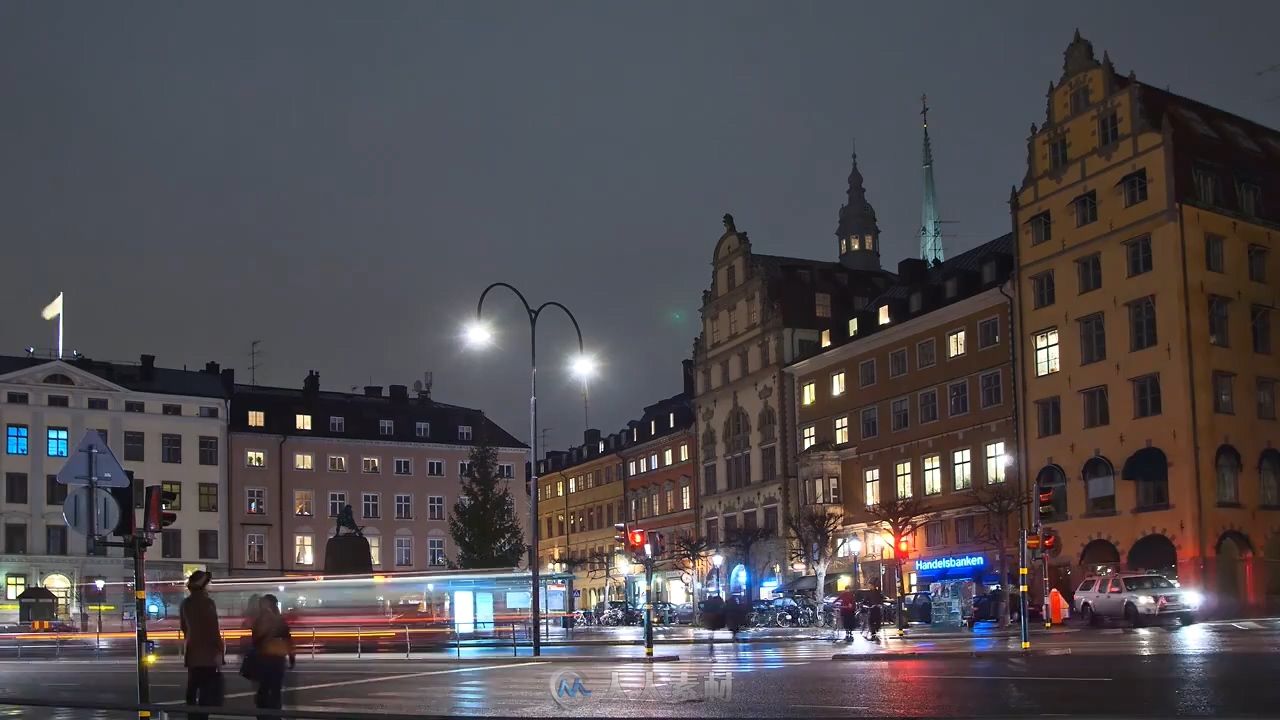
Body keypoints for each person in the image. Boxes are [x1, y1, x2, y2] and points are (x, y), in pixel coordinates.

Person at [179, 570, 223, 720]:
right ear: (203, 586)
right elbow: (213, 629)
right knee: (206, 692)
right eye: (208, 583)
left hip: (192, 652)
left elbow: (184, 627)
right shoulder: (208, 603)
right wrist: (219, 651)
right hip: (208, 654)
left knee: (192, 689)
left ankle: (192, 717)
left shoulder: (185, 603)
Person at [251, 594, 296, 719]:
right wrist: (291, 656)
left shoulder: (260, 620)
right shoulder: (279, 620)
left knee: (263, 688)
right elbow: (288, 638)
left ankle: (262, 714)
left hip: (264, 657)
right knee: (275, 689)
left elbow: (254, 640)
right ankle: (275, 713)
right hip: (277, 658)